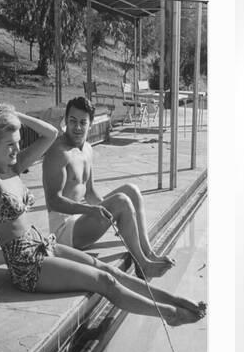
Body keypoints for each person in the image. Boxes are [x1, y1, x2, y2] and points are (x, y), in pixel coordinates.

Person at [0, 103, 205, 327]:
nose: (16, 150)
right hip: (26, 266)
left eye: (18, 143)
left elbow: (51, 133)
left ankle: (173, 300)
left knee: (104, 267)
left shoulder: (15, 168)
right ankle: (169, 314)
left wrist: (14, 114)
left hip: (44, 245)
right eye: (9, 145)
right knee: (105, 281)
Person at [43, 96, 173, 279]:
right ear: (66, 120)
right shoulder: (58, 153)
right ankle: (143, 265)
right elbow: (53, 201)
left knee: (131, 191)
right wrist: (97, 210)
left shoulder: (87, 148)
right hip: (63, 232)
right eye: (72, 121)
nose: (77, 127)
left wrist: (107, 209)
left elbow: (89, 193)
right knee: (121, 201)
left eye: (82, 122)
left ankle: (149, 254)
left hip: (80, 218)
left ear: (91, 123)